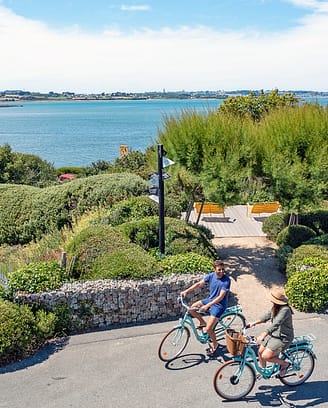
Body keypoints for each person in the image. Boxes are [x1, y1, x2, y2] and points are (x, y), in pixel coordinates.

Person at [180, 259, 230, 356]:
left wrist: (207, 306)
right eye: (219, 270)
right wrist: (186, 291)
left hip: (219, 306)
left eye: (223, 269)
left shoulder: (226, 280)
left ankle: (215, 345)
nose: (221, 272)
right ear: (214, 269)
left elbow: (221, 297)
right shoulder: (211, 276)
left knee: (208, 329)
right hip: (210, 300)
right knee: (192, 308)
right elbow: (199, 284)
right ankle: (202, 322)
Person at [247, 287, 294, 377]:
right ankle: (263, 371)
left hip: (283, 338)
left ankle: (285, 364)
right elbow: (267, 315)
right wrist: (254, 323)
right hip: (274, 335)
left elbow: (276, 324)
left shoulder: (285, 310)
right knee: (260, 351)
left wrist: (263, 334)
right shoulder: (276, 307)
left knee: (266, 356)